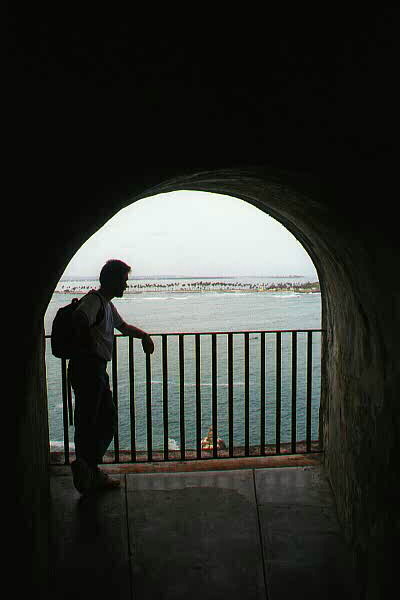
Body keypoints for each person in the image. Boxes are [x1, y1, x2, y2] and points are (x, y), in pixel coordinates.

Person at [68, 259, 154, 495]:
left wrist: (144, 336)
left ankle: (88, 468)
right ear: (113, 280)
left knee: (103, 419)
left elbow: (123, 327)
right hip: (89, 369)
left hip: (95, 369)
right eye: (124, 281)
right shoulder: (93, 301)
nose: (126, 285)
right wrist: (89, 348)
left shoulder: (105, 304)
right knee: (92, 420)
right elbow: (79, 319)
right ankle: (86, 469)